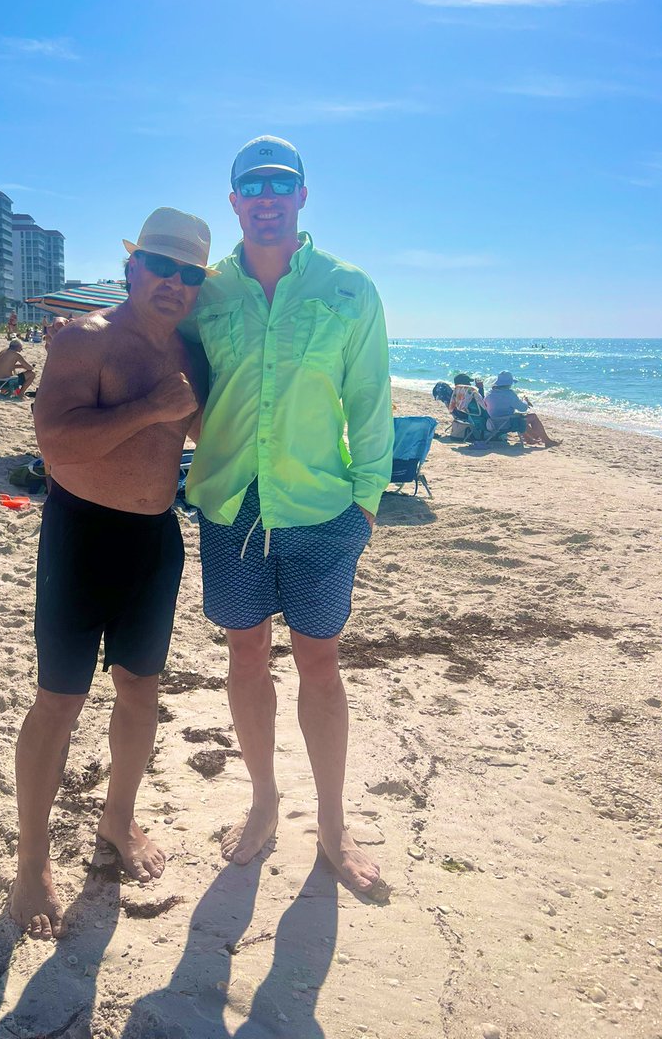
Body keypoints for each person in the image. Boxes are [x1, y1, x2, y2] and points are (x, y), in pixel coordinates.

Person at [184, 136, 393, 897]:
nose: (266, 197)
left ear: (303, 196)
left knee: (320, 666)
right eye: (252, 186)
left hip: (322, 507)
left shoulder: (349, 289)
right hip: (231, 504)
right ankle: (265, 801)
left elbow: (371, 398)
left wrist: (367, 502)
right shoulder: (207, 293)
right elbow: (178, 380)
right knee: (245, 656)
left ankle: (332, 825)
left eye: (281, 183)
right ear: (233, 200)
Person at [10, 207, 212, 941]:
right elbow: (55, 439)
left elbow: (203, 430)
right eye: (162, 265)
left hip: (155, 540)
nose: (175, 282)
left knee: (140, 693)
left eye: (191, 273)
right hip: (80, 536)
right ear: (134, 268)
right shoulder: (85, 339)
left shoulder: (194, 351)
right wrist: (149, 406)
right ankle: (32, 863)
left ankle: (117, 821)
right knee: (58, 702)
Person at [485, 371, 562, 447]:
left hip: (493, 422)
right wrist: (525, 401)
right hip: (506, 423)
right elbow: (523, 408)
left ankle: (529, 439)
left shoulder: (489, 394)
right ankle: (547, 441)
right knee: (532, 417)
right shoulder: (509, 394)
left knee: (519, 417)